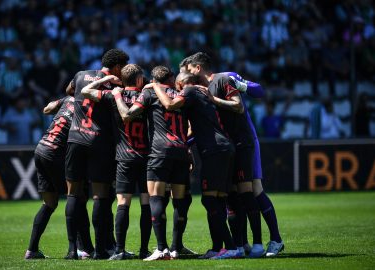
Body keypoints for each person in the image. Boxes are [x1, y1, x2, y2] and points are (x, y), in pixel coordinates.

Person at [152, 72, 241, 259]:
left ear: (181, 83)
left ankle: (231, 247)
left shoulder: (190, 91)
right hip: (225, 147)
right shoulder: (201, 93)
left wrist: (155, 87)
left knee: (209, 200)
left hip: (215, 150)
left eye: (177, 86)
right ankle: (218, 248)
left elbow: (169, 105)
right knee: (217, 200)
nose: (176, 90)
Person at [186, 52, 264, 258]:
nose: (188, 75)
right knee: (231, 197)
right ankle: (238, 244)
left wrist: (213, 99)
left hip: (240, 142)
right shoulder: (199, 90)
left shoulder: (222, 80)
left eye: (189, 70)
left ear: (198, 67)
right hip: (225, 146)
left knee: (246, 192)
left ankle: (258, 243)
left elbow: (238, 106)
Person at [113, 66, 189, 261]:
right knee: (179, 201)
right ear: (171, 78)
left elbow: (129, 115)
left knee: (155, 199)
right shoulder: (182, 93)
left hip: (159, 151)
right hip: (181, 150)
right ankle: (175, 248)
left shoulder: (148, 91)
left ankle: (161, 249)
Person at [80, 63, 152, 260]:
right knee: (147, 204)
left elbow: (86, 91)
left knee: (123, 204)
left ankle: (119, 250)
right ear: (138, 80)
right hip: (145, 157)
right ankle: (144, 250)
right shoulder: (147, 96)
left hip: (124, 157)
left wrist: (108, 81)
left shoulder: (112, 95)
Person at [64, 48, 129, 260]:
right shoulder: (115, 83)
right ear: (117, 67)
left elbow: (68, 91)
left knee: (74, 194)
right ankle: (101, 250)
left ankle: (74, 249)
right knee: (100, 196)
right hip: (98, 141)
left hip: (75, 139)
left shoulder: (81, 74)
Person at [24, 96, 74, 259]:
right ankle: (75, 249)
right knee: (75, 197)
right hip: (54, 153)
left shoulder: (68, 99)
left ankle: (32, 250)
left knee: (49, 203)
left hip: (41, 147)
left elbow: (46, 109)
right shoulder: (83, 105)